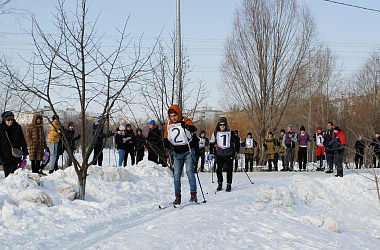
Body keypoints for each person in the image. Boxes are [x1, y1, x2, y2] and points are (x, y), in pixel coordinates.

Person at [163, 105, 197, 204]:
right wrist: (165, 141)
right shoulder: (168, 124)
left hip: (188, 151)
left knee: (189, 172)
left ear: (179, 114)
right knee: (176, 175)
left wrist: (186, 126)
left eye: (175, 115)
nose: (173, 118)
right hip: (177, 153)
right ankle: (177, 197)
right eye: (171, 116)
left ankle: (193, 194)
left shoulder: (185, 120)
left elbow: (194, 129)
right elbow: (166, 134)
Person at [209, 117, 239, 192]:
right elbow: (212, 143)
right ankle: (220, 183)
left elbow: (236, 141)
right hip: (219, 153)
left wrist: (237, 151)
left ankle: (229, 184)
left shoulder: (230, 132)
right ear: (218, 125)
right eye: (220, 124)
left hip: (229, 153)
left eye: (223, 124)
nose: (222, 126)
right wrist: (211, 153)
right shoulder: (215, 132)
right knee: (218, 169)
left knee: (229, 169)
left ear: (226, 125)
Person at [0, 111, 28, 177]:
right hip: (4, 154)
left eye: (12, 119)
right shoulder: (1, 129)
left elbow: (22, 140)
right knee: (7, 174)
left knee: (13, 173)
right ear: (4, 120)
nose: (10, 121)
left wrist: (25, 151)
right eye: (8, 120)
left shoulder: (17, 127)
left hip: (15, 154)